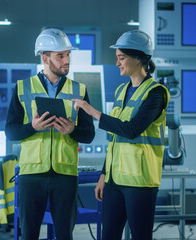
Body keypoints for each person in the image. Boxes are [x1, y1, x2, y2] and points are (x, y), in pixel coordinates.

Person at [72, 30, 170, 239]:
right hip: (115, 181)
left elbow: (132, 130)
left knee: (140, 236)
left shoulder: (156, 93)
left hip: (140, 181)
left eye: (121, 58)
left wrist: (93, 111)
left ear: (138, 57)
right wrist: (103, 175)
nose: (117, 63)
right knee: (109, 235)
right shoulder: (121, 91)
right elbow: (115, 139)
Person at [5, 28, 95, 240]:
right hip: (31, 174)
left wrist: (72, 131)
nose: (66, 61)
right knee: (29, 235)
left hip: (65, 175)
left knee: (65, 235)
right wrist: (32, 128)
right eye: (60, 56)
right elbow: (10, 131)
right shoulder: (22, 88)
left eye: (68, 55)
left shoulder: (79, 90)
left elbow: (88, 134)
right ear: (45, 58)